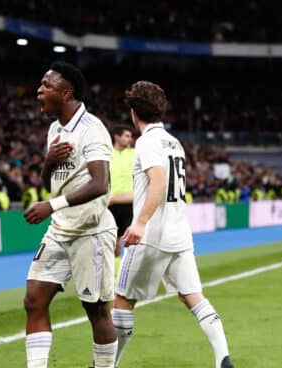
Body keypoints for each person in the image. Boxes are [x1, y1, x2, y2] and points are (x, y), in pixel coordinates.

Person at [113, 81, 234, 368]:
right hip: (179, 233)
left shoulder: (147, 142)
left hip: (152, 235)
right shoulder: (174, 142)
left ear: (133, 112)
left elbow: (158, 180)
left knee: (122, 302)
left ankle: (106, 365)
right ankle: (223, 359)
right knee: (193, 296)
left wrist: (140, 223)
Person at [23, 61, 118, 368]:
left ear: (65, 93)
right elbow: (48, 182)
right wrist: (48, 162)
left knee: (97, 312)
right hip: (60, 229)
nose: (39, 91)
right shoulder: (54, 128)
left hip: (91, 230)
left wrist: (51, 205)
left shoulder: (92, 129)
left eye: (45, 86)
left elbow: (100, 183)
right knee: (34, 300)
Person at [108, 125, 135, 257]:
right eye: (127, 136)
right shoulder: (107, 155)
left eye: (130, 136)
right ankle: (112, 275)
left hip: (129, 203)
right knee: (112, 244)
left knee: (129, 244)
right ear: (117, 137)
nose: (130, 139)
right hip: (110, 204)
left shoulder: (134, 153)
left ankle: (122, 275)